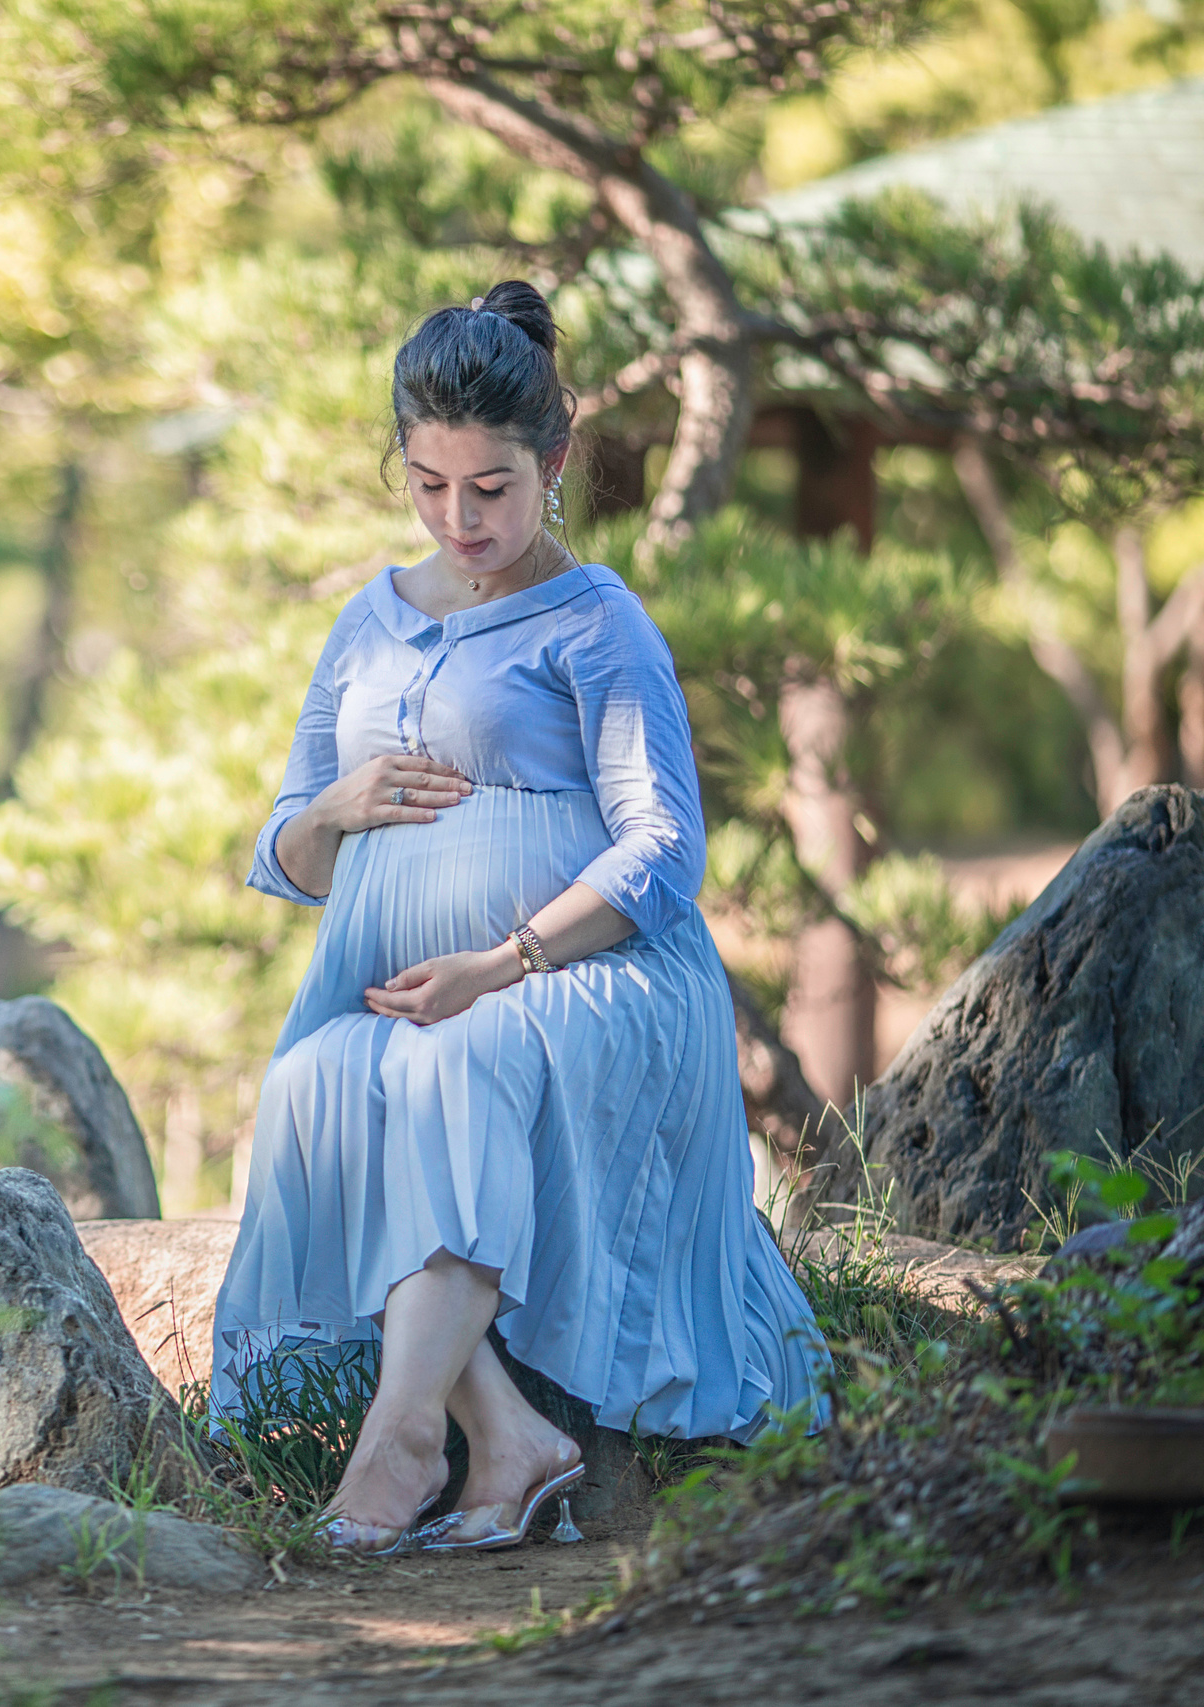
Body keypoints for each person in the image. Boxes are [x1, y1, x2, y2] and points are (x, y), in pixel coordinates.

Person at [208, 280, 827, 1557]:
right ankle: (504, 1434)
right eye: (428, 485)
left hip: (590, 981)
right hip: (404, 986)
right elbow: (283, 852)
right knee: (321, 1081)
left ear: (552, 463)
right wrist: (339, 805)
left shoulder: (599, 622)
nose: (459, 517)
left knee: (454, 1062)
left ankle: (397, 1443)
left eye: (489, 487)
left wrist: (502, 962)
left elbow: (665, 850)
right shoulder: (367, 624)